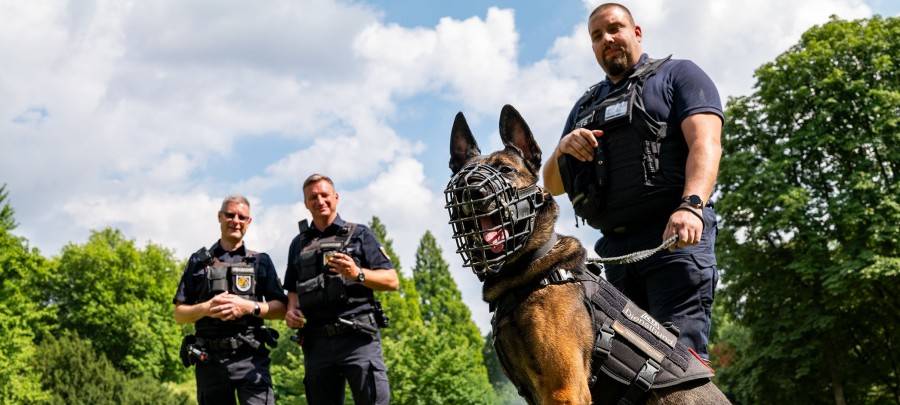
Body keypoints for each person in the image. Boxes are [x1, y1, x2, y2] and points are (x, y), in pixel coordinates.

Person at [543, 3, 723, 360]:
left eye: (615, 28)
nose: (607, 39)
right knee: (627, 373)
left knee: (679, 366)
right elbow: (551, 185)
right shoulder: (584, 106)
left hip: (674, 240)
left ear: (636, 32)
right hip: (618, 255)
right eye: (597, 36)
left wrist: (692, 206)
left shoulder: (679, 75)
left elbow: (706, 142)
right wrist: (562, 149)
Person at [284, 174, 399, 405]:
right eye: (313, 197)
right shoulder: (299, 243)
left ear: (336, 198)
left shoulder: (360, 234)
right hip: (317, 342)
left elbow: (392, 280)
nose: (320, 201)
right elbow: (293, 289)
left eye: (324, 195)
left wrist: (357, 273)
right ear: (306, 203)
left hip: (358, 338)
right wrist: (291, 311)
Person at [173, 195, 287, 405]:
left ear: (249, 222)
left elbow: (281, 309)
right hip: (210, 361)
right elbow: (179, 314)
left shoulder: (261, 261)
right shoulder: (199, 262)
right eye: (230, 215)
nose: (236, 220)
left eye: (242, 217)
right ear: (220, 217)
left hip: (251, 358)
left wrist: (248, 307)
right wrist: (206, 308)